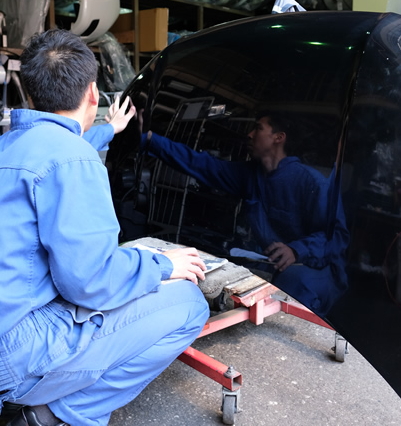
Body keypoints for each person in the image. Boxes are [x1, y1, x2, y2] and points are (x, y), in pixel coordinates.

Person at [0, 29, 209, 426]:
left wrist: (109, 129)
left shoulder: (5, 147)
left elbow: (66, 147)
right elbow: (89, 282)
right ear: (92, 93)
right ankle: (53, 415)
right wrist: (161, 266)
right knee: (190, 304)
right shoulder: (73, 159)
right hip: (14, 357)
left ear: (29, 94)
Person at [141, 111, 347, 313]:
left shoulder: (311, 181)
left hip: (320, 268)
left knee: (292, 282)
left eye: (258, 128)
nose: (249, 134)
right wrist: (151, 139)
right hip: (272, 263)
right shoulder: (249, 175)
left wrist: (296, 250)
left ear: (278, 138)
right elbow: (201, 164)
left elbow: (337, 238)